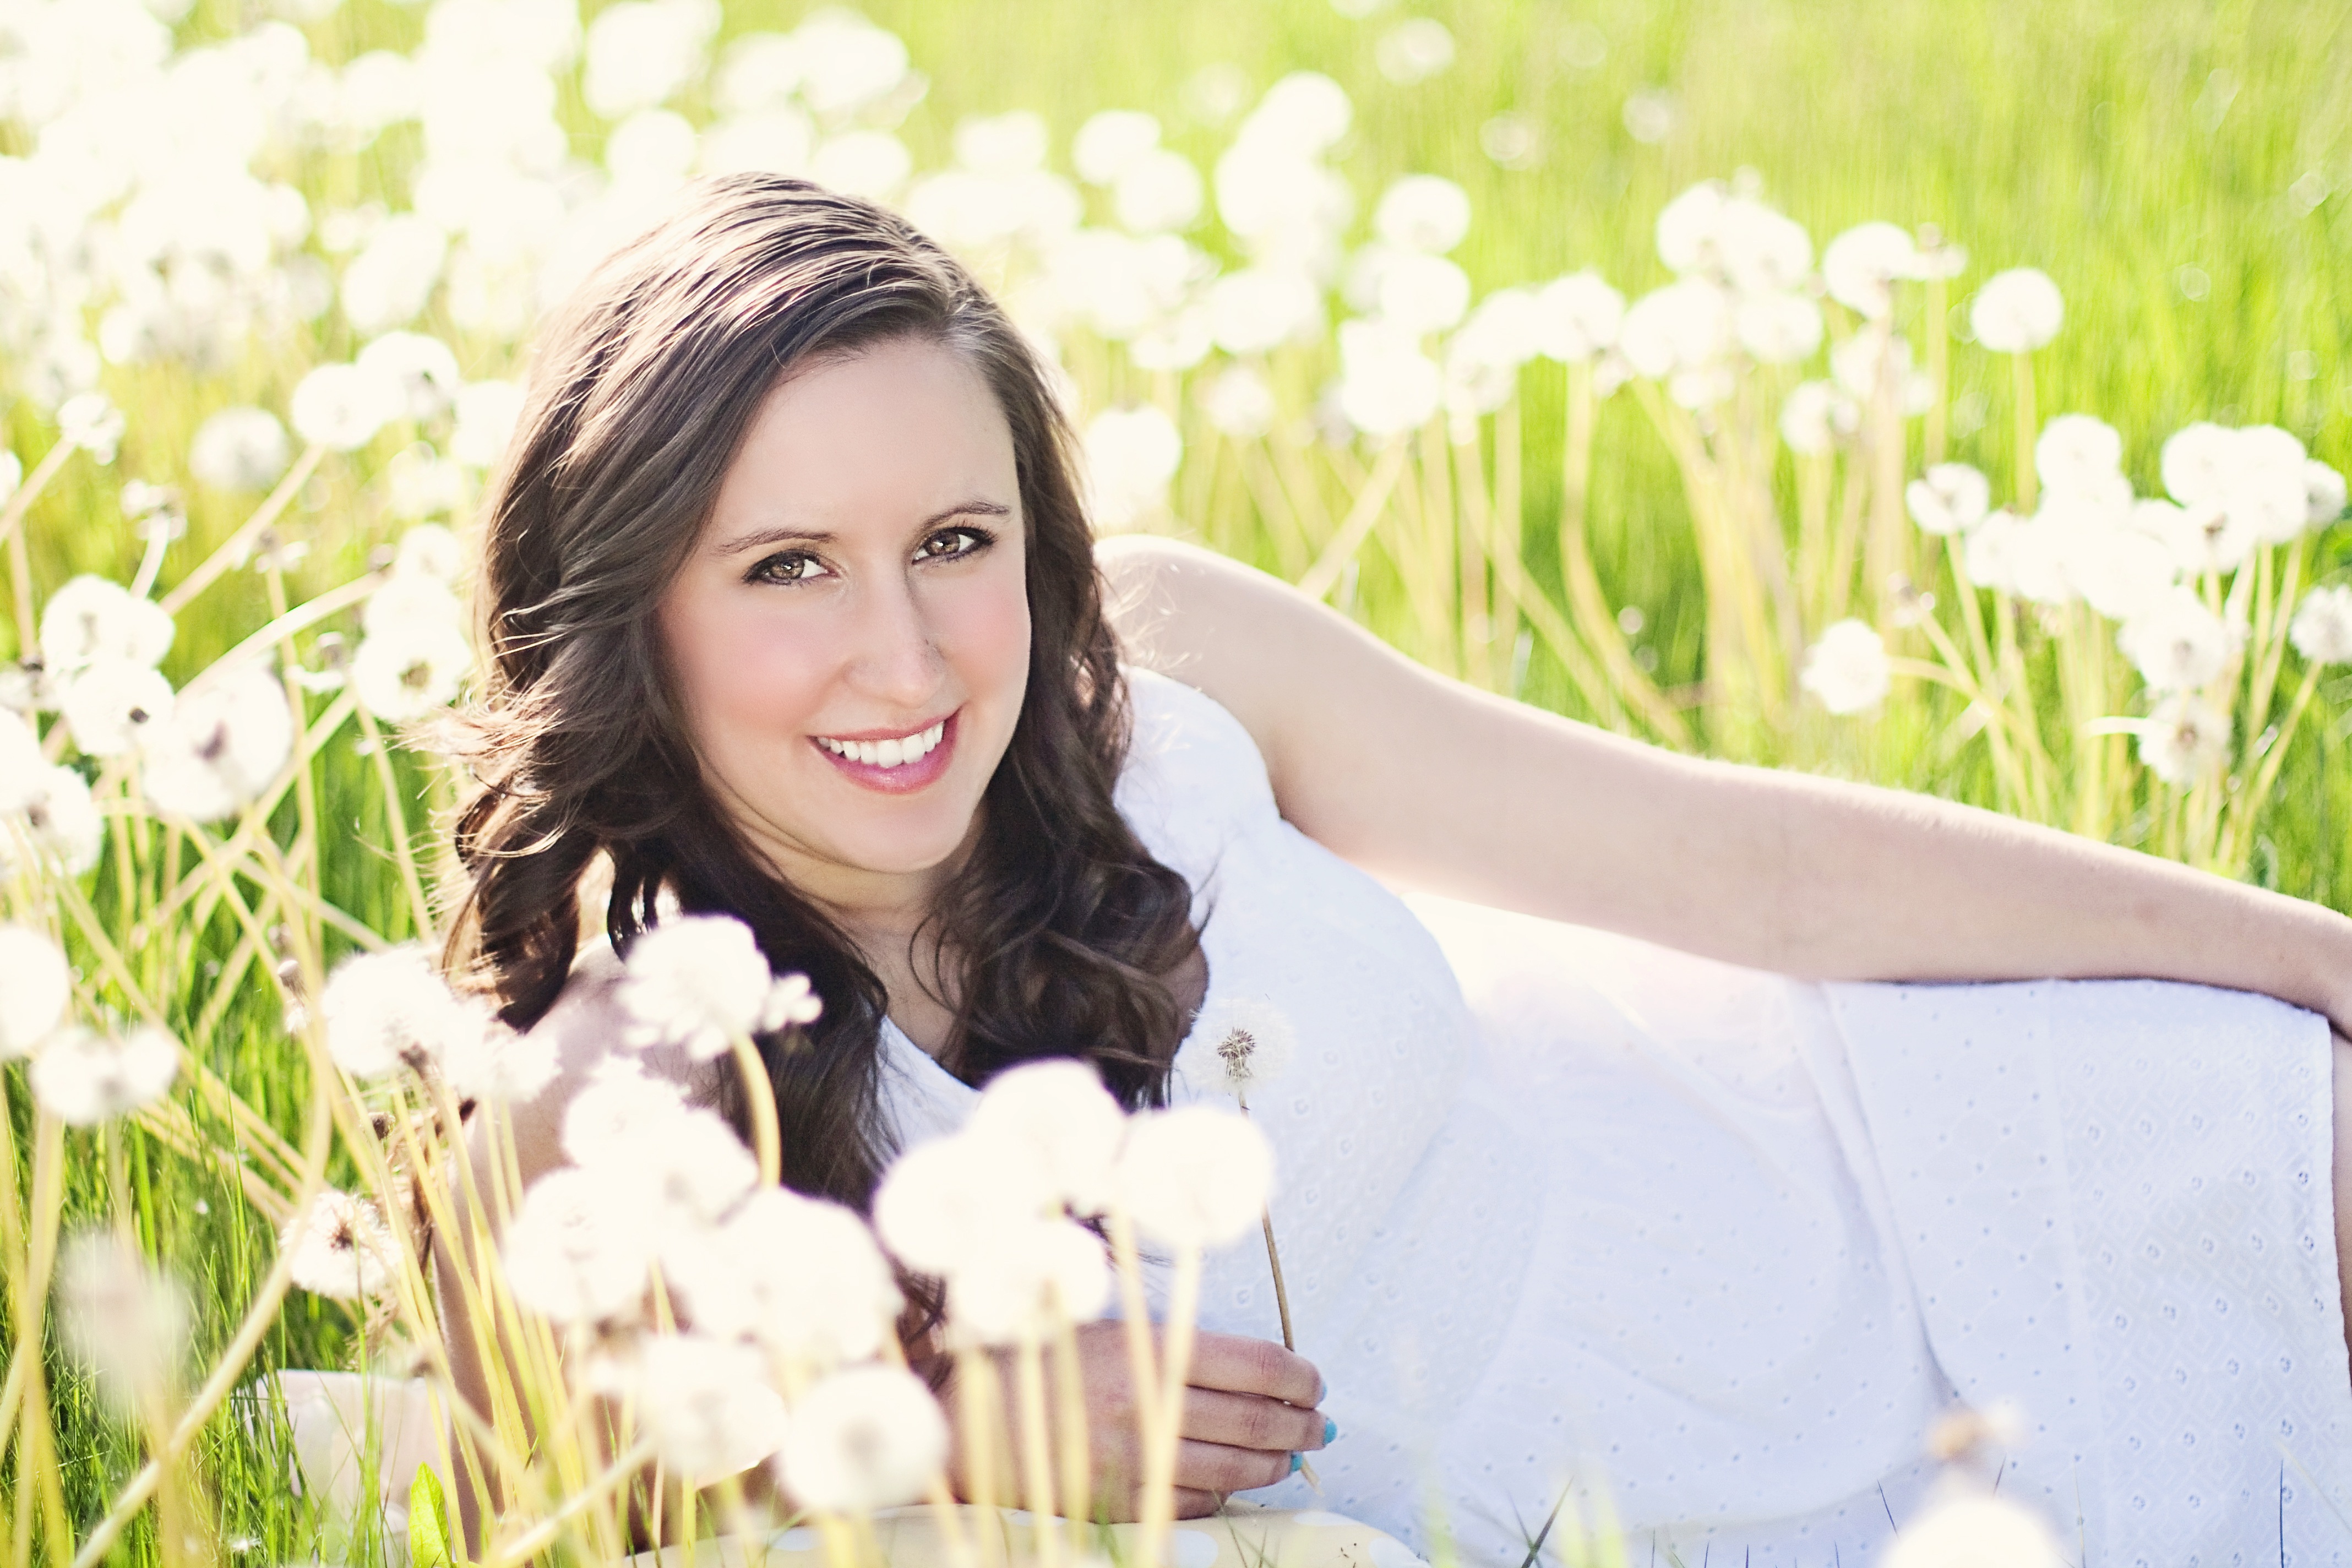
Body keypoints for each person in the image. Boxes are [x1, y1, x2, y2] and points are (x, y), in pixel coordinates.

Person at [438, 174, 2352, 1564]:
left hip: (1861, 1164)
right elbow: (543, 1491)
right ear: (630, 615)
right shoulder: (621, 1085)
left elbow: (1746, 868)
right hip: (1629, 1508)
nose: (914, 660)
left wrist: (2314, 954)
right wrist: (959, 1420)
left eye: (959, 538)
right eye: (788, 568)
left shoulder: (1160, 676)